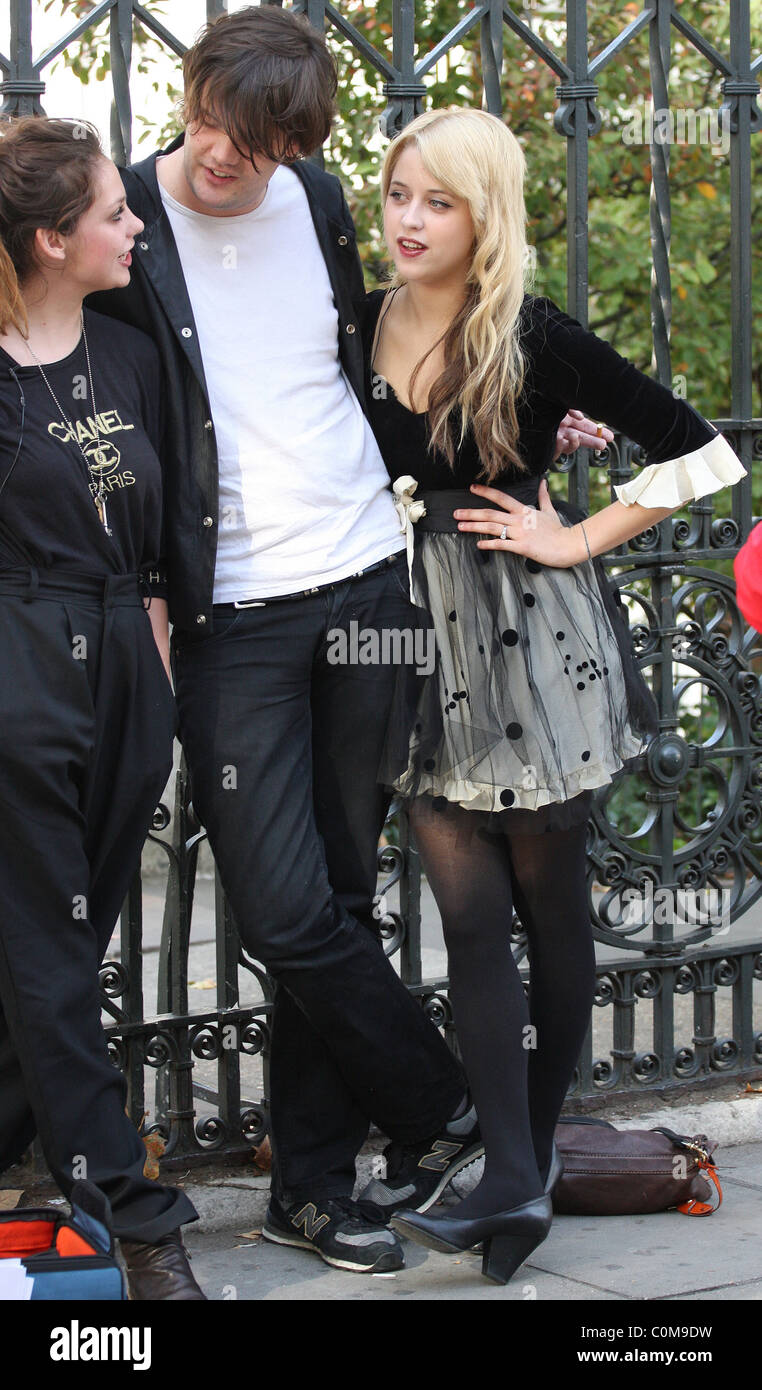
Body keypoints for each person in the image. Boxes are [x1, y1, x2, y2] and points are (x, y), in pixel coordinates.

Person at [89, 5, 613, 1275]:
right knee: (281, 905)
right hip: (234, 617)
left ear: (298, 144)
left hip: (371, 596)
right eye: (213, 121)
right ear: (191, 96)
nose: (227, 155)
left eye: (259, 142)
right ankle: (451, 1118)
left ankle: (315, 1190)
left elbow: (384, 348)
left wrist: (526, 419)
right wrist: (140, 592)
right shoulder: (131, 227)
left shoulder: (319, 199)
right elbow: (102, 410)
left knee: (335, 889)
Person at [355, 107, 746, 1285]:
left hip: (528, 634)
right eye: (397, 196)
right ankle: (513, 1180)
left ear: (487, 213)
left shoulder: (532, 334)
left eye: (439, 201)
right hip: (411, 638)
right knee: (467, 921)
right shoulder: (359, 320)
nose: (411, 221)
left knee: (548, 902)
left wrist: (576, 540)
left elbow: (701, 451)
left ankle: (517, 1179)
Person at [0, 117, 204, 1298]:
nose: (136, 225)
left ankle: (38, 1156)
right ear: (48, 237)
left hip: (129, 649)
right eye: (113, 214)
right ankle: (138, 1220)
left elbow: (174, 521)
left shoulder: (130, 354)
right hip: (22, 650)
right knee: (49, 945)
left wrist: (160, 650)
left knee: (63, 943)